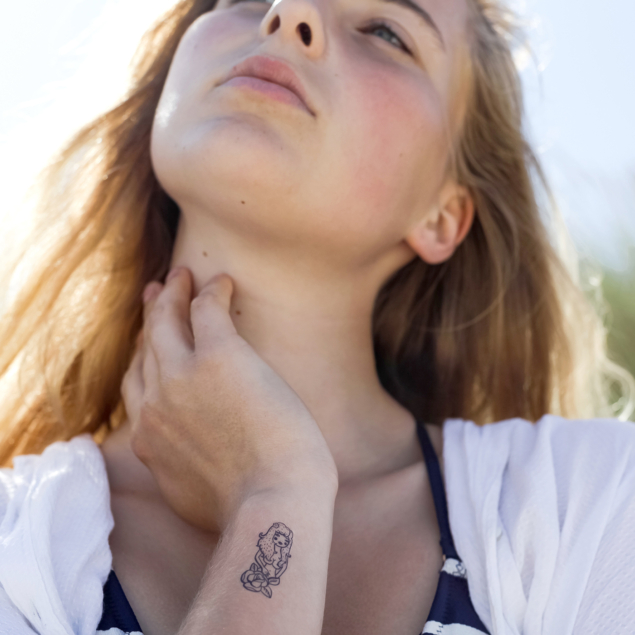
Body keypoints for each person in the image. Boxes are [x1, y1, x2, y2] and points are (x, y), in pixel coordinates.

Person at [0, 0, 634, 633]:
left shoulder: (597, 505)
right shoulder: (14, 544)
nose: (288, 13)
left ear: (441, 216)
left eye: (386, 31)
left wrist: (271, 488)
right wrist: (276, 494)